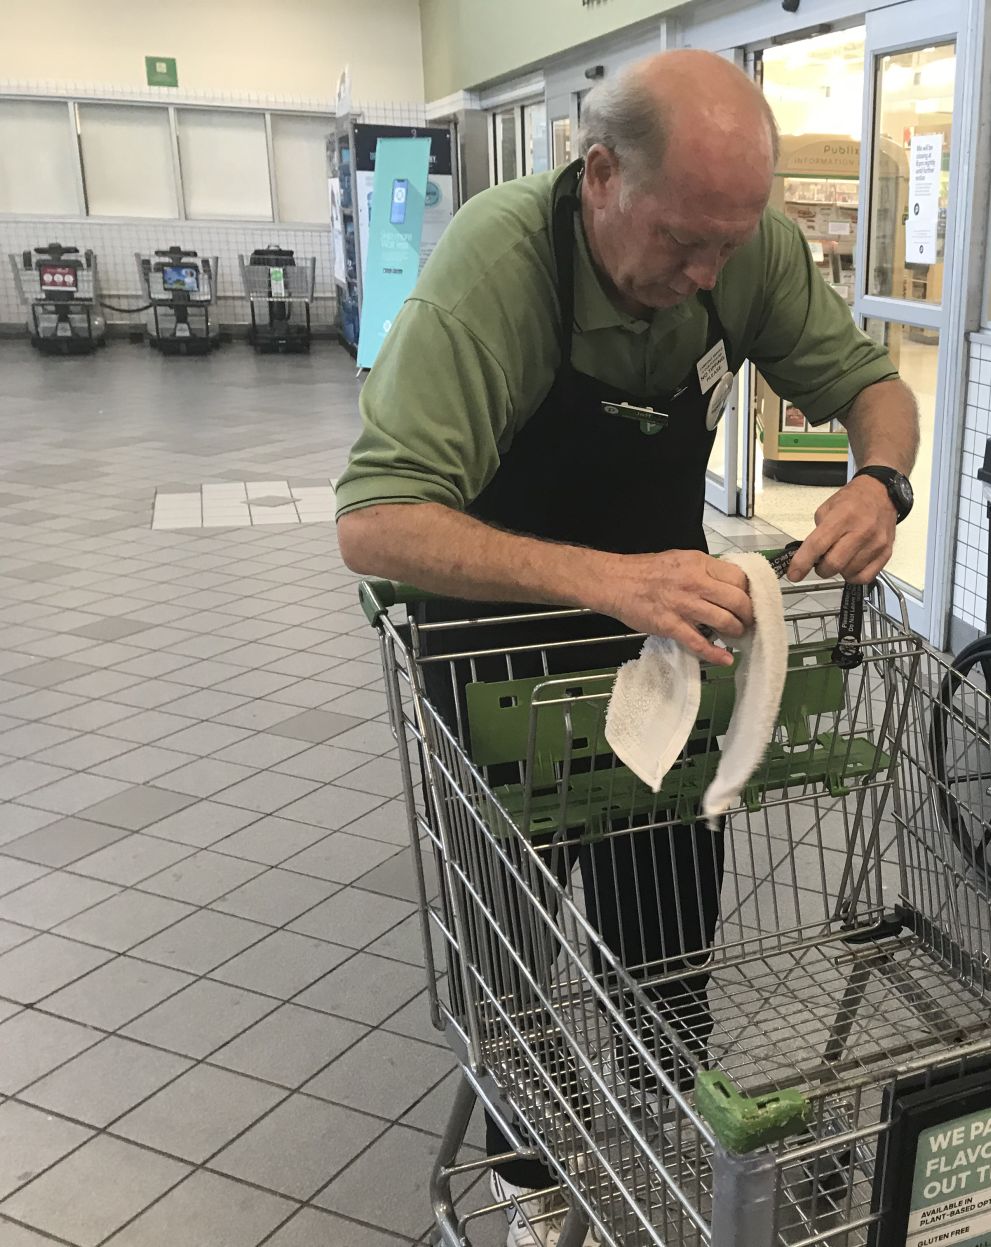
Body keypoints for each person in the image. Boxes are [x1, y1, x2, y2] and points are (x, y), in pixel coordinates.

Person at [335, 48, 920, 1247]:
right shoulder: (495, 271)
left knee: (668, 913)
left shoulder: (733, 241)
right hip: (499, 648)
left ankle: (658, 1105)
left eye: (730, 242)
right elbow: (376, 519)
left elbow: (871, 383)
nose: (711, 273)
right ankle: (526, 1163)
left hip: (667, 643)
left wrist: (881, 478)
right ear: (599, 173)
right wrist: (607, 581)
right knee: (511, 925)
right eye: (684, 243)